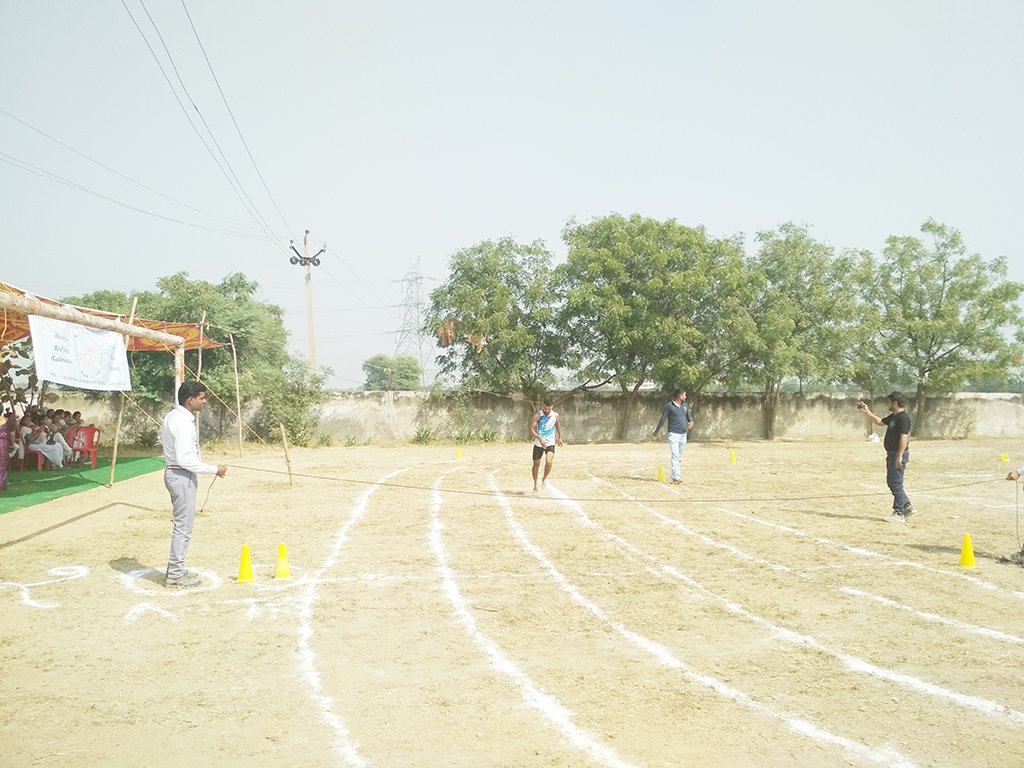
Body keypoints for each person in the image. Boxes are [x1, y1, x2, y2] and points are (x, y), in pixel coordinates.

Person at [161, 381, 227, 588]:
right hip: (181, 475)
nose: (204, 401)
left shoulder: (174, 416)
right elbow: (185, 459)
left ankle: (174, 570)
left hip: (177, 474)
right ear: (190, 400)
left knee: (182, 526)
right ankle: (175, 575)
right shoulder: (183, 422)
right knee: (183, 527)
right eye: (202, 398)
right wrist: (214, 469)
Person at [858, 392, 914, 522]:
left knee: (895, 482)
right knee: (893, 481)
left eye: (889, 402)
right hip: (892, 454)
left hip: (897, 454)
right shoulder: (894, 417)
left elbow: (904, 437)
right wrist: (866, 411)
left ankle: (899, 512)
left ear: (895, 403)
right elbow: (880, 422)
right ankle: (907, 506)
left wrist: (899, 456)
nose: (887, 404)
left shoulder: (903, 418)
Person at [653, 388, 694, 484]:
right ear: (680, 396)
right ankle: (676, 477)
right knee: (675, 456)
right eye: (684, 395)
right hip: (673, 434)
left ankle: (676, 474)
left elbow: (689, 418)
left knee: (679, 457)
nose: (686, 397)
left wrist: (691, 423)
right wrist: (656, 431)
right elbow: (663, 419)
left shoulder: (685, 406)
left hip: (683, 434)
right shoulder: (669, 406)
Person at [530, 397, 563, 493]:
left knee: (549, 461)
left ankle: (544, 478)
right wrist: (539, 438)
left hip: (550, 443)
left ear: (552, 407)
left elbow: (557, 425)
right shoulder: (537, 416)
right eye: (545, 408)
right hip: (538, 444)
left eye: (549, 409)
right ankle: (535, 484)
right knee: (536, 464)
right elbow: (531, 429)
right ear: (542, 406)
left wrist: (560, 437)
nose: (547, 411)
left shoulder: (555, 415)